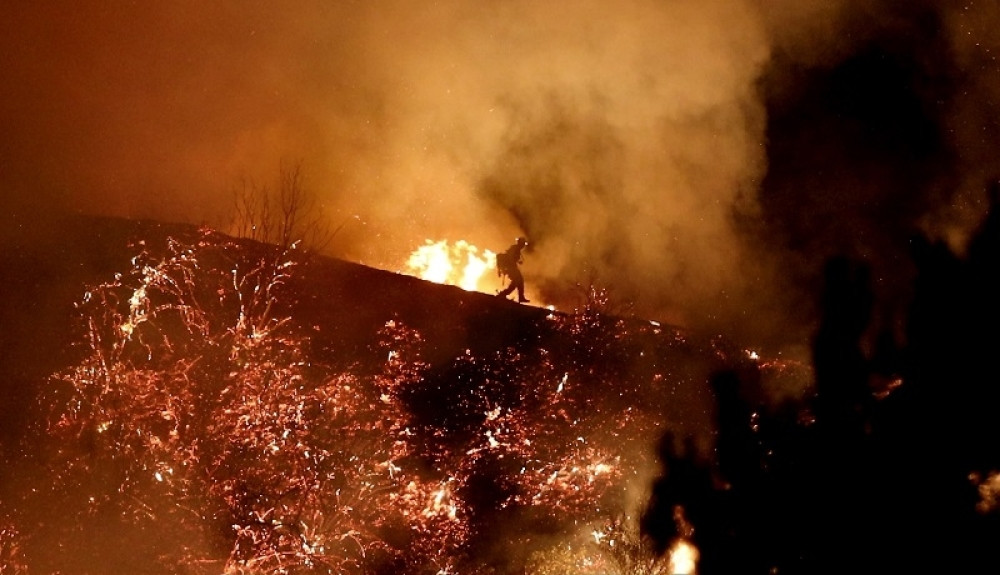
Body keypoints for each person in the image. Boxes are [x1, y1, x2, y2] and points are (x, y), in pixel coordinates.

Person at [496, 237, 529, 303]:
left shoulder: (516, 249)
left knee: (516, 283)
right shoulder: (515, 248)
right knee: (519, 280)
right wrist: (512, 266)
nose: (524, 246)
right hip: (510, 268)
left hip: (510, 267)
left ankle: (503, 294)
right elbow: (510, 258)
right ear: (521, 243)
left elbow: (512, 258)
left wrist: (517, 262)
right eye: (523, 244)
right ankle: (519, 297)